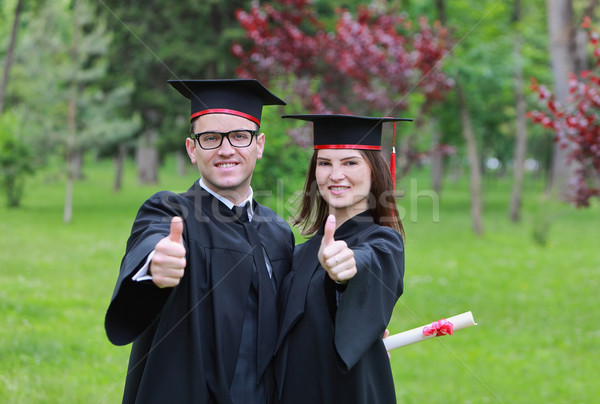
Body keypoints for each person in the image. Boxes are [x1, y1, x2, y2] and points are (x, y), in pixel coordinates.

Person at [104, 79, 294, 404]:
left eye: (239, 136)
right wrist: (155, 264)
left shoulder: (278, 233)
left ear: (258, 145)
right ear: (192, 149)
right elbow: (152, 239)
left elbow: (296, 319)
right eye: (210, 138)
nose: (225, 149)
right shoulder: (169, 211)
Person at [274, 114, 410, 404]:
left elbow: (370, 261)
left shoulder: (383, 242)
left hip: (348, 392)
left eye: (350, 162)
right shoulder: (301, 253)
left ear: (374, 171)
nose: (335, 175)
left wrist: (347, 268)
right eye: (325, 163)